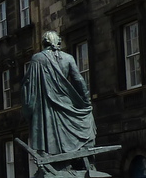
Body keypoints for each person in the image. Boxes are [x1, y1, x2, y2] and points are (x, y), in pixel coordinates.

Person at [23, 30, 96, 160]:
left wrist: (28, 106)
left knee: (47, 131)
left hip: (47, 104)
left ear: (44, 43)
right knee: (84, 119)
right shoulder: (68, 58)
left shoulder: (37, 58)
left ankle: (49, 156)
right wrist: (86, 101)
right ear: (58, 42)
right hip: (66, 102)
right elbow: (79, 80)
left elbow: (29, 84)